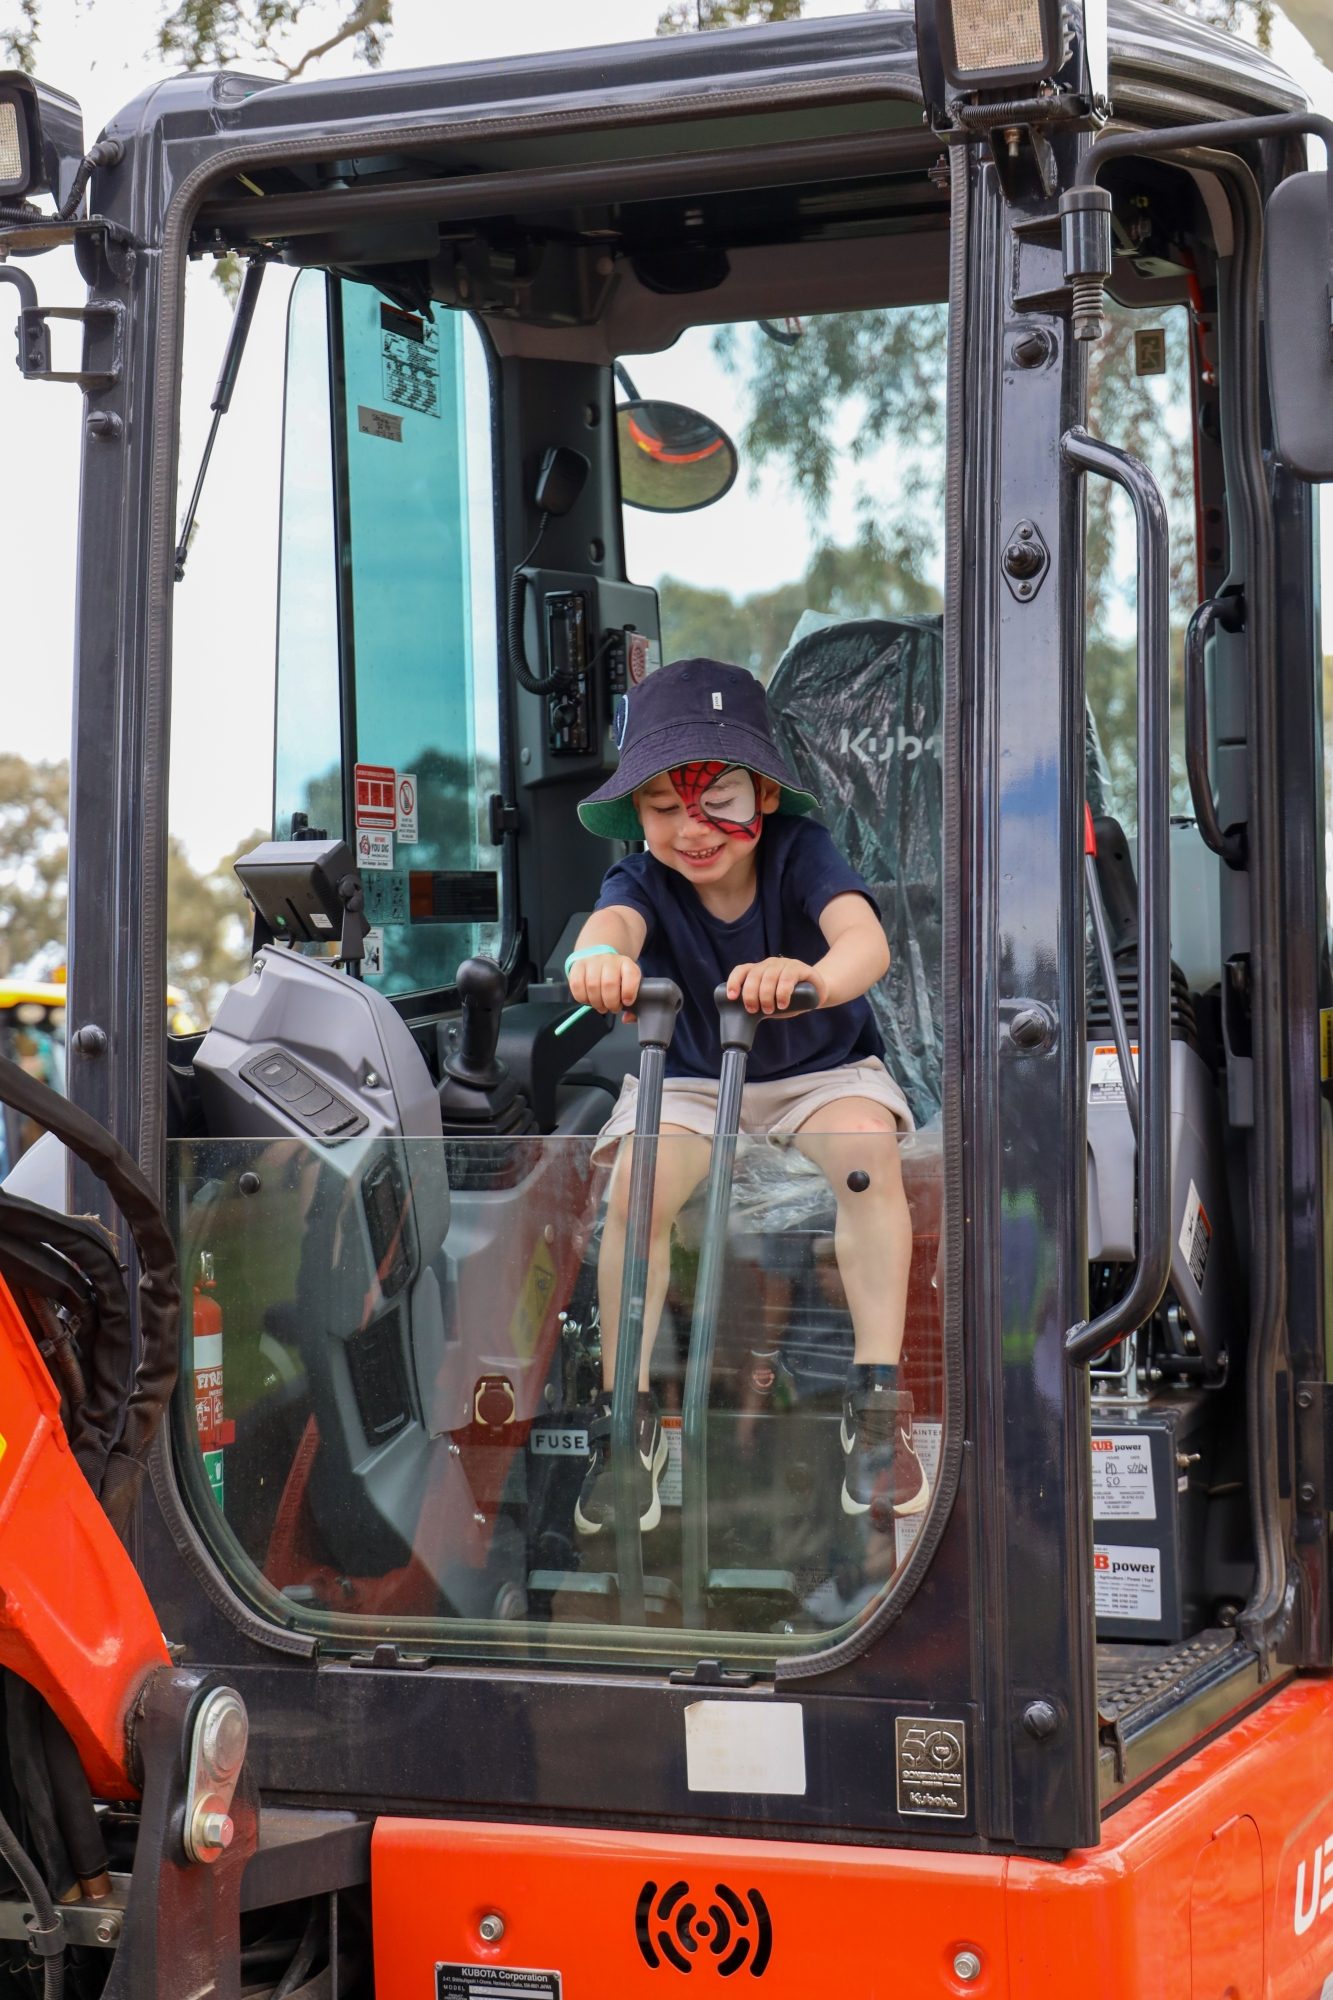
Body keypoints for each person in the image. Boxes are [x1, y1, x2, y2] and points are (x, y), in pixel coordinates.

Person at [566, 656, 926, 1539]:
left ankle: (874, 1403)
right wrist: (596, 961)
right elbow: (607, 931)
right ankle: (629, 1420)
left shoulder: (803, 854)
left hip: (818, 1072)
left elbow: (862, 941)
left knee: (865, 1163)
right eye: (661, 806)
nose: (692, 826)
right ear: (635, 815)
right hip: (691, 1079)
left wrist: (811, 976)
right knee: (635, 1188)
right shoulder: (639, 882)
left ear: (763, 796)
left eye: (716, 797)